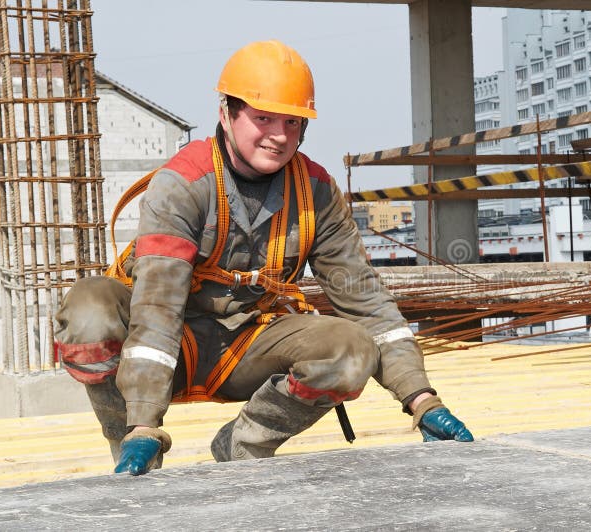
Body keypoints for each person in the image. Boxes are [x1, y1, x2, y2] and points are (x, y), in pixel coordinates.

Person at [54, 40, 473, 476]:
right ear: (226, 113)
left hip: (246, 345)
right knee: (89, 310)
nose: (278, 135)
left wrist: (422, 400)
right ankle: (130, 451)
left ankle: (241, 448)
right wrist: (142, 425)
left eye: (292, 122)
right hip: (166, 344)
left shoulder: (316, 192)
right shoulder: (183, 183)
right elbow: (157, 308)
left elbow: (364, 300)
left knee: (350, 350)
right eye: (263, 118)